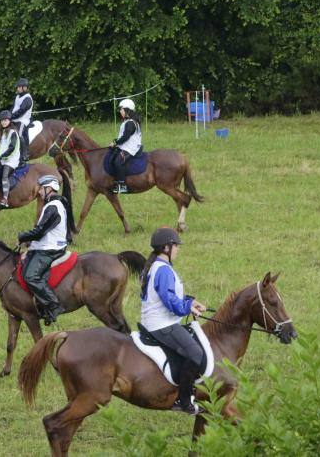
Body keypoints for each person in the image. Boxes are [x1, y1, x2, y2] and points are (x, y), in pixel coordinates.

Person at [139, 227, 207, 415]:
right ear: (166, 248)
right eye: (176, 246)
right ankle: (184, 400)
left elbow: (171, 296)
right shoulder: (164, 270)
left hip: (157, 321)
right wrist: (187, 308)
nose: (177, 249)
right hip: (162, 325)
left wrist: (190, 302)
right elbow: (169, 301)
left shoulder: (156, 266)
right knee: (195, 353)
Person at [17, 175, 73, 325]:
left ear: (50, 188)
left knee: (31, 276)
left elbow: (40, 231)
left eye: (42, 188)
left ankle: (54, 305)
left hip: (51, 248)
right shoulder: (52, 205)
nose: (39, 192)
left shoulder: (53, 207)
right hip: (47, 245)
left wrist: (23, 236)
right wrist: (30, 245)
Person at [108, 98, 142, 194]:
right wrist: (115, 142)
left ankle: (122, 185)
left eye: (121, 109)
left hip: (131, 148)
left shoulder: (131, 123)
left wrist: (115, 143)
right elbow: (122, 136)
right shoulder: (127, 122)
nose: (120, 111)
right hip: (126, 146)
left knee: (118, 161)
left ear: (127, 110)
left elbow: (126, 137)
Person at [0, 110, 22, 209]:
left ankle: (5, 199)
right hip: (3, 158)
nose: (3, 122)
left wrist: (1, 156)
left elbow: (12, 148)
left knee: (4, 176)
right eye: (2, 120)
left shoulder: (13, 132)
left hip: (11, 160)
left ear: (9, 120)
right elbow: (0, 147)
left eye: (5, 120)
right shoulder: (4, 133)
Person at [9, 78, 34, 166]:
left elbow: (21, 111)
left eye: (19, 87)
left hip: (23, 120)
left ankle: (25, 155)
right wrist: (8, 114)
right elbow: (14, 108)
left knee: (19, 135)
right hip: (15, 119)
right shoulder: (17, 97)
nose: (17, 89)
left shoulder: (27, 99)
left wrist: (11, 117)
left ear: (25, 88)